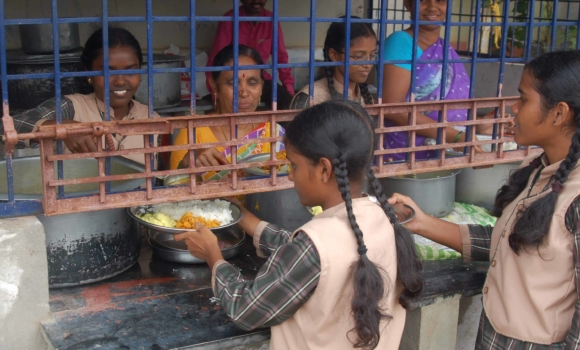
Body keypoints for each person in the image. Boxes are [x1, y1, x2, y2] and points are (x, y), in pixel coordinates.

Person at [174, 100, 424, 349]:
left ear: (324, 170)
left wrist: (213, 256)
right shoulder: (383, 218)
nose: (290, 175)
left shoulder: (315, 244)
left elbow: (245, 309)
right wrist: (240, 214)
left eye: (294, 165)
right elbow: (305, 249)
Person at [389, 50, 580, 349]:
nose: (513, 109)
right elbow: (507, 244)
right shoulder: (538, 170)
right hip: (494, 337)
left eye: (524, 99)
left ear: (559, 113)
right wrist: (421, 222)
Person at [2, 27, 159, 165]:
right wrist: (61, 128)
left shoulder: (153, 118)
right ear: (88, 72)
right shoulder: (71, 107)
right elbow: (7, 128)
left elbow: (166, 178)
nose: (119, 81)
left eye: (130, 70)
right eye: (107, 71)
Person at [381, 0, 500, 161]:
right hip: (407, 152)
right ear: (408, 4)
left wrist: (477, 125)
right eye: (423, 1)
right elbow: (392, 108)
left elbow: (446, 109)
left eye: (440, 0)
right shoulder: (401, 42)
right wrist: (453, 135)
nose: (432, 7)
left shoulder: (445, 48)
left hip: (446, 150)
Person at [170, 44, 285, 181]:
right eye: (232, 82)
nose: (243, 92)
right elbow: (173, 189)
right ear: (214, 85)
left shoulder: (273, 134)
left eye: (252, 82)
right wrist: (186, 164)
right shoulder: (193, 134)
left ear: (261, 86)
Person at [206, 0, 294, 110]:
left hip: (259, 78)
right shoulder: (230, 19)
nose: (256, 0)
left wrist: (289, 89)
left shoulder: (271, 19)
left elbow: (281, 58)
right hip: (233, 78)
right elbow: (215, 58)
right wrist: (214, 93)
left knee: (288, 106)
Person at [290, 17, 376, 109]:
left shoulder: (366, 97)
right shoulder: (312, 98)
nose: (368, 64)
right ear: (334, 55)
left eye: (372, 55)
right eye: (359, 56)